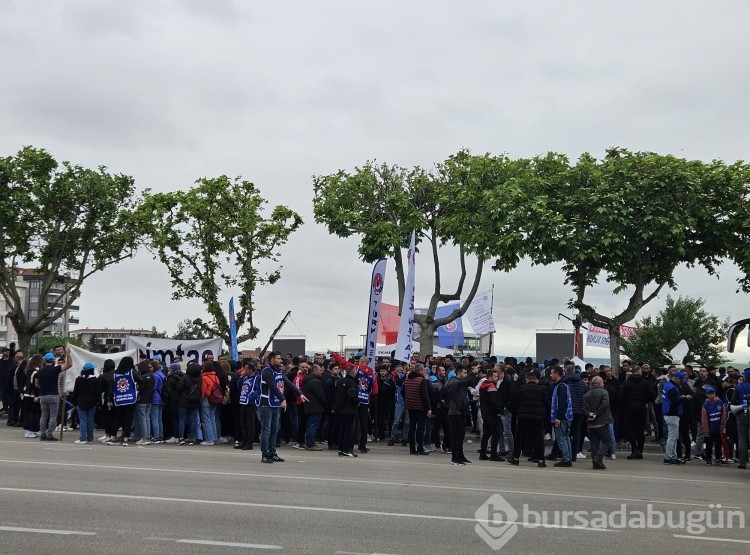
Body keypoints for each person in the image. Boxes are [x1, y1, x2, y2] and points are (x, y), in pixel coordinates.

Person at [258, 351, 307, 463]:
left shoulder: (279, 371)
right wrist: (283, 399)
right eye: (278, 358)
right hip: (266, 404)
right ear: (272, 360)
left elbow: (288, 383)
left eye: (281, 359)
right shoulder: (266, 371)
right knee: (266, 431)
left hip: (275, 404)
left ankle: (272, 453)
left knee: (275, 430)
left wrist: (300, 393)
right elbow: (273, 387)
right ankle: (265, 455)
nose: (281, 361)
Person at [507, 369, 548, 468]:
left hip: (523, 417)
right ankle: (541, 460)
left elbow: (514, 402)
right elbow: (547, 404)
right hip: (537, 418)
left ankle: (516, 457)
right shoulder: (542, 389)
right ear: (535, 379)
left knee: (520, 437)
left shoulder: (522, 388)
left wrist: (516, 412)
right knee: (539, 439)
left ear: (527, 379)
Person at [444, 365, 478, 466]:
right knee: (456, 436)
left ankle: (460, 455)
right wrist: (473, 373)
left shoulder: (460, 385)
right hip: (455, 413)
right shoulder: (455, 382)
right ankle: (455, 458)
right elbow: (461, 383)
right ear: (459, 373)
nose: (466, 375)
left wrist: (472, 400)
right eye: (465, 373)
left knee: (461, 436)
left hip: (461, 412)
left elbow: (463, 397)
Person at [620, 365, 655, 460]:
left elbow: (621, 396)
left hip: (629, 408)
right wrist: (645, 401)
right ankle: (640, 450)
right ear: (639, 372)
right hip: (642, 408)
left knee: (629, 429)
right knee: (640, 430)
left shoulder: (626, 383)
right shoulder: (645, 382)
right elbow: (652, 395)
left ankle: (634, 449)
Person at [36, 350, 72, 440]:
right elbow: (69, 365)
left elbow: (36, 384)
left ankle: (42, 433)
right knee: (53, 415)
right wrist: (68, 355)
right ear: (52, 361)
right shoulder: (56, 369)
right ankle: (49, 434)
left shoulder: (39, 371)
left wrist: (43, 388)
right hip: (53, 394)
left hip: (43, 395)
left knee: (44, 415)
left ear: (44, 360)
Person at [106, 356, 141, 446]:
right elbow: (140, 380)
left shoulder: (115, 373)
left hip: (119, 399)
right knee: (128, 420)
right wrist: (137, 370)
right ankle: (126, 439)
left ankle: (112, 437)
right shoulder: (132, 372)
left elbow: (112, 388)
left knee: (118, 418)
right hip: (130, 399)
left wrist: (110, 399)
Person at [583, 376, 613, 470]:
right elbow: (605, 404)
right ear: (600, 384)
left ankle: (594, 463)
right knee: (606, 441)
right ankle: (598, 458)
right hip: (602, 421)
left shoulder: (586, 394)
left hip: (591, 422)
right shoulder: (604, 392)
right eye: (602, 383)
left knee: (594, 444)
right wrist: (597, 414)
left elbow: (584, 408)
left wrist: (589, 415)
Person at [403, 362, 431, 456]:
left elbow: (403, 392)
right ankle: (420, 448)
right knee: (420, 428)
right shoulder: (421, 380)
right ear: (420, 370)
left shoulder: (407, 379)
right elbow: (425, 396)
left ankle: (412, 448)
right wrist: (428, 408)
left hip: (410, 406)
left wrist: (407, 400)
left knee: (412, 427)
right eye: (423, 370)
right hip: (420, 407)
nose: (424, 371)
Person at [333, 361, 359, 457]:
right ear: (352, 372)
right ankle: (346, 449)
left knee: (342, 429)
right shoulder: (352, 382)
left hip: (341, 409)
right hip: (349, 409)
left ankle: (341, 448)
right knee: (349, 430)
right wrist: (358, 402)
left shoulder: (341, 381)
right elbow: (351, 395)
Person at [478, 368, 504, 461]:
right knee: (495, 433)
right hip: (492, 414)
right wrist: (500, 410)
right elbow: (494, 401)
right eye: (495, 376)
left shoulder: (482, 386)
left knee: (486, 434)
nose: (496, 378)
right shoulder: (491, 386)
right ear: (489, 377)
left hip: (485, 413)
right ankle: (493, 455)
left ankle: (483, 454)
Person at [71, 362, 101, 444]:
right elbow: (98, 393)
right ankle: (90, 438)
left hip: (81, 402)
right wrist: (99, 403)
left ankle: (83, 438)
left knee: (83, 421)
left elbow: (75, 392)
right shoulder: (95, 380)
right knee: (90, 421)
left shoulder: (79, 379)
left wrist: (74, 403)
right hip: (92, 403)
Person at [549, 366, 573, 468]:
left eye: (551, 373)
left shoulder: (560, 386)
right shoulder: (565, 385)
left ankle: (566, 459)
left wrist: (558, 417)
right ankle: (568, 457)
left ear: (556, 374)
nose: (550, 375)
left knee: (561, 438)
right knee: (566, 438)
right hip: (568, 416)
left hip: (562, 417)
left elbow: (561, 403)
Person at [662, 371, 686, 465]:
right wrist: (684, 398)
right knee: (672, 437)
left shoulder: (668, 385)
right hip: (672, 414)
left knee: (673, 437)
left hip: (669, 413)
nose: (681, 382)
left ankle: (673, 456)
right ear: (676, 378)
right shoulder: (672, 388)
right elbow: (675, 402)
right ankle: (668, 457)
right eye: (680, 380)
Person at [176, 361, 202, 445]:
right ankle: (192, 438)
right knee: (193, 420)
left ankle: (181, 438)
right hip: (195, 401)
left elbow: (179, 387)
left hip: (184, 400)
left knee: (182, 419)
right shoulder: (200, 378)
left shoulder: (185, 377)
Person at [303, 363, 326, 451]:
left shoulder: (307, 380)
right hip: (315, 407)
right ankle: (311, 443)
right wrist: (325, 403)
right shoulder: (315, 382)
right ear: (315, 371)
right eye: (320, 370)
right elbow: (321, 395)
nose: (321, 372)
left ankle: (309, 442)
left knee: (310, 425)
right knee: (313, 425)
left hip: (309, 406)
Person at [701, 387, 727, 465]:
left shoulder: (719, 402)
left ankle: (718, 458)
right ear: (707, 395)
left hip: (718, 428)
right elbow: (704, 418)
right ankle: (708, 458)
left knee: (718, 444)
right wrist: (705, 430)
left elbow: (723, 414)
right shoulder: (705, 405)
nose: (712, 395)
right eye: (710, 394)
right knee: (709, 445)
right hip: (709, 429)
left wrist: (722, 425)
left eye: (713, 393)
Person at [730, 369, 750, 469]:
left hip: (742, 413)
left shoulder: (739, 386)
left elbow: (733, 401)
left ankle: (743, 463)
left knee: (742, 438)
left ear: (745, 377)